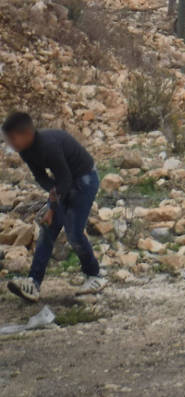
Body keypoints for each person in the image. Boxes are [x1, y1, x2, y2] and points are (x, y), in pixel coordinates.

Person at [3, 112, 107, 302]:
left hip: (84, 180)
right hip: (64, 183)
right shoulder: (25, 151)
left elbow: (66, 179)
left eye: (12, 138)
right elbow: (42, 177)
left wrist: (52, 205)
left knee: (74, 233)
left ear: (26, 133)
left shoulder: (48, 146)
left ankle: (94, 277)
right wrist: (53, 194)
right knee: (47, 230)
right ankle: (33, 283)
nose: (9, 143)